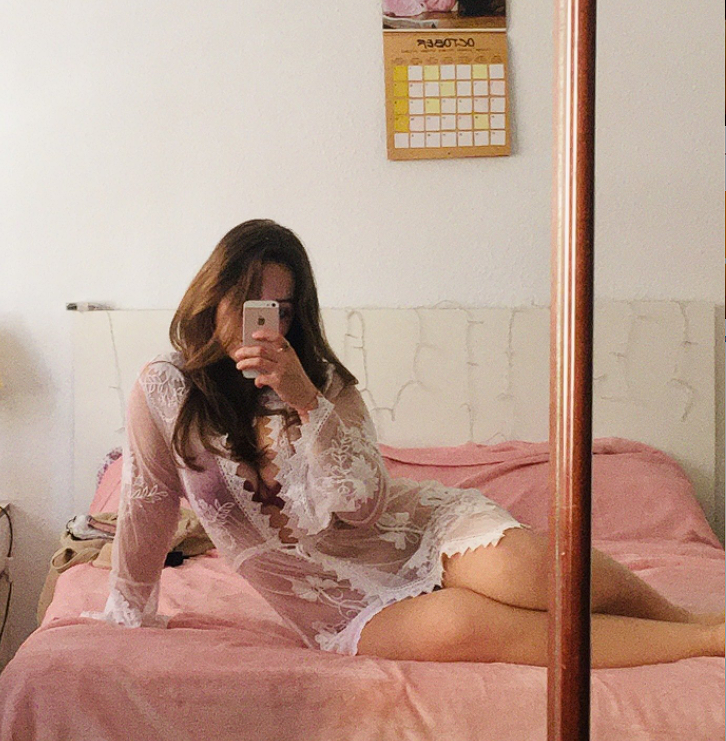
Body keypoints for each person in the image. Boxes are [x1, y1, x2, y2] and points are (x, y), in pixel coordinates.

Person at [91, 219, 725, 665]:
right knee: (470, 626)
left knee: (527, 569)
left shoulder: (323, 383)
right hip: (331, 602)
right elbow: (148, 503)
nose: (268, 320)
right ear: (215, 293)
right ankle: (701, 643)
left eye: (281, 309)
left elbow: (364, 506)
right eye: (252, 301)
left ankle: (690, 622)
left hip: (410, 531)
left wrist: (306, 400)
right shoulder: (164, 389)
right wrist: (130, 610)